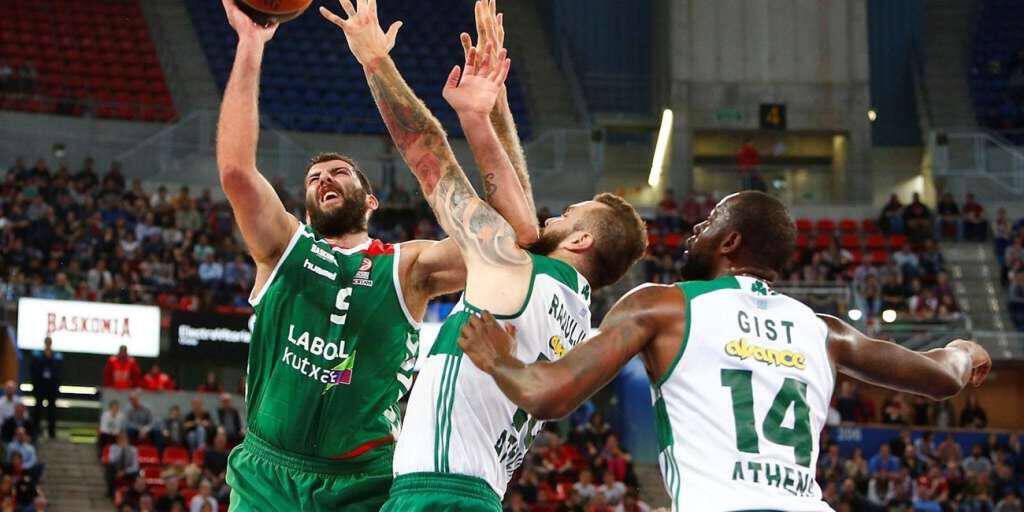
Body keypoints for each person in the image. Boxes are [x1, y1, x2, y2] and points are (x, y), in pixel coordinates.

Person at [458, 191, 993, 511]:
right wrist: (965, 350)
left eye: (710, 221)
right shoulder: (823, 330)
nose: (696, 229)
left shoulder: (662, 306)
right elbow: (942, 377)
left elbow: (549, 394)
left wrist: (496, 357)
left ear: (731, 242)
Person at [215, 0, 539, 508]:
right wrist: (250, 44)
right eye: (314, 178)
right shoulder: (283, 247)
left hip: (363, 482)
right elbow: (236, 172)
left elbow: (509, 236)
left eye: (339, 172)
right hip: (267, 474)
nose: (323, 178)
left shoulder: (408, 268)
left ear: (370, 201)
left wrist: (489, 115)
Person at [337, 3, 647, 509]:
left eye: (568, 214)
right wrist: (492, 110)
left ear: (581, 241)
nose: (553, 216)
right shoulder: (574, 316)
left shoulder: (513, 272)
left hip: (436, 492)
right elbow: (521, 225)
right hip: (478, 493)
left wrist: (375, 62)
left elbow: (427, 154)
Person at [29, 337, 61, 439]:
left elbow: (58, 372)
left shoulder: (56, 356)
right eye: (47, 342)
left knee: (51, 411)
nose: (48, 344)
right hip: (40, 386)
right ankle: (35, 431)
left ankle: (51, 433)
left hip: (51, 387)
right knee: (37, 409)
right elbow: (34, 371)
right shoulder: (38, 355)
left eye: (49, 342)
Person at [104, 432, 139, 498]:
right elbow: (112, 461)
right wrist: (121, 450)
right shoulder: (113, 448)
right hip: (116, 469)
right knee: (109, 468)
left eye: (124, 439)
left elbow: (135, 466)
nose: (122, 440)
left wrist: (125, 471)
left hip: (128, 471)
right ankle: (111, 491)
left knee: (137, 473)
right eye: (121, 439)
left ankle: (133, 493)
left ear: (128, 440)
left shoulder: (134, 450)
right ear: (117, 440)